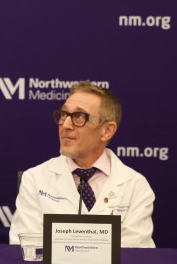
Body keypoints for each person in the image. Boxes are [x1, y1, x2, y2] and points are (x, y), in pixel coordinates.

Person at [9, 81, 155, 248]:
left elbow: (135, 255)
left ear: (107, 130)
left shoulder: (135, 186)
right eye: (64, 114)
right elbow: (28, 250)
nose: (65, 125)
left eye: (79, 117)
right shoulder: (35, 179)